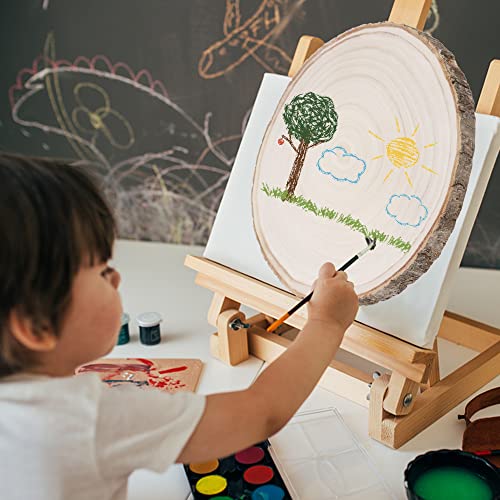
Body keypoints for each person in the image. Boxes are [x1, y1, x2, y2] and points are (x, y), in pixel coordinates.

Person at [0, 152, 359, 500]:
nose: (116, 278)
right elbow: (261, 413)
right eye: (102, 271)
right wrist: (326, 323)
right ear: (37, 328)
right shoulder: (91, 420)